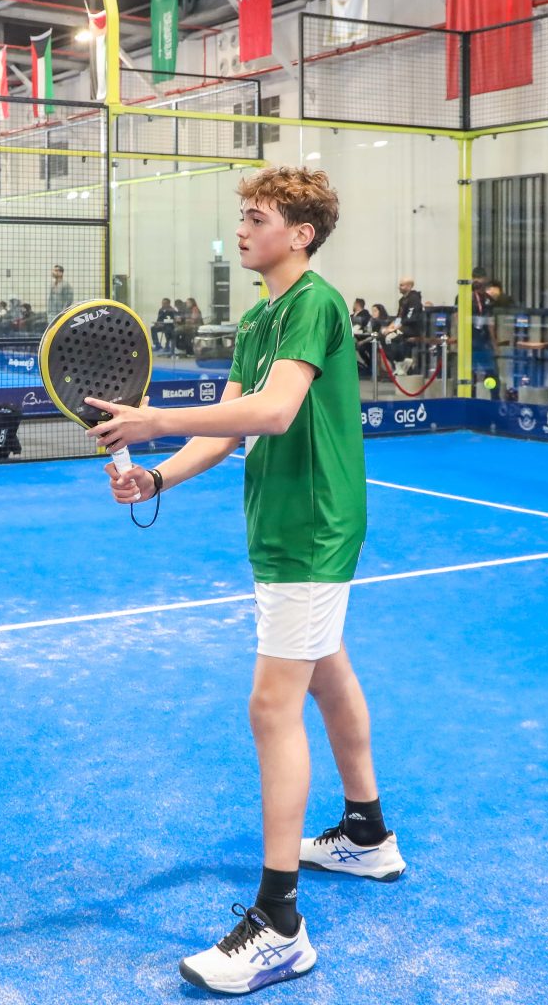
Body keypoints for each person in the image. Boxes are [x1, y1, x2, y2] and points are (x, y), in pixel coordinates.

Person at [83, 165, 405, 995]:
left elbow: (275, 411)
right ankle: (367, 835)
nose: (242, 230)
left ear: (300, 234)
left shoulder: (314, 304)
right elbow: (229, 428)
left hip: (312, 527)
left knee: (271, 708)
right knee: (327, 671)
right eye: (244, 217)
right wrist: (156, 472)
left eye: (258, 218)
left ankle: (280, 925)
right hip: (283, 522)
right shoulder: (261, 316)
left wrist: (156, 417)